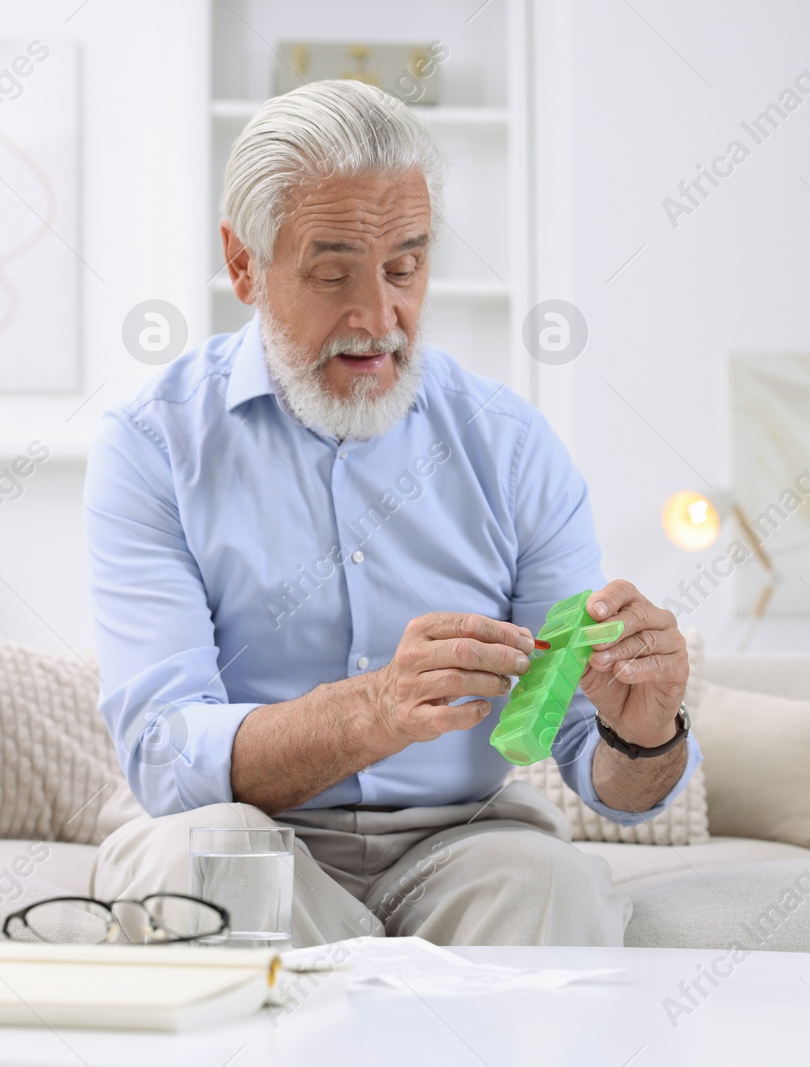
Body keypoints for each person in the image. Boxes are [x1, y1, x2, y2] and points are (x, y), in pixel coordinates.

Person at [84, 79, 699, 947]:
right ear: (243, 264)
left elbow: (581, 748)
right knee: (202, 861)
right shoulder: (152, 444)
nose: (379, 317)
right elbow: (162, 748)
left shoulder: (512, 444)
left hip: (463, 838)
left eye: (405, 267)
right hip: (244, 823)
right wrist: (370, 711)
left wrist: (644, 737)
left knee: (555, 881)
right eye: (334, 272)